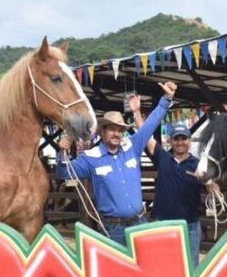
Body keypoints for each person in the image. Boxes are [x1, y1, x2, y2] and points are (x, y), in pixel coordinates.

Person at [57, 82, 177, 246]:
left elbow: (150, 124)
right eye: (112, 129)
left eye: (120, 130)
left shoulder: (132, 146)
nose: (117, 134)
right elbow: (65, 172)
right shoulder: (91, 157)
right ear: (102, 132)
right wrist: (62, 153)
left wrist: (166, 98)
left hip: (140, 222)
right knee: (117, 271)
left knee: (144, 268)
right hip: (114, 228)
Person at [126, 95, 205, 264]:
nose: (180, 142)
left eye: (183, 138)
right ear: (170, 141)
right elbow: (145, 135)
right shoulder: (163, 157)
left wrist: (212, 184)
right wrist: (137, 112)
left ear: (189, 141)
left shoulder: (198, 165)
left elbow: (212, 183)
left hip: (190, 225)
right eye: (176, 138)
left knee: (191, 267)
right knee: (164, 264)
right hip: (163, 223)